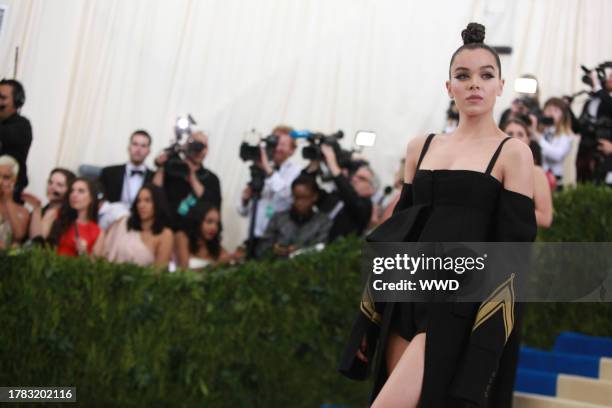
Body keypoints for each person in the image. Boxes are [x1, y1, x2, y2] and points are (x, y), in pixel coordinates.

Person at [339, 23, 536, 407]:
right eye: (463, 76)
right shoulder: (420, 147)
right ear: (449, 88)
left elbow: (513, 258)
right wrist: (369, 315)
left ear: (500, 86)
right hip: (405, 300)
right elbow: (397, 237)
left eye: (486, 75)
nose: (474, 84)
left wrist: (487, 342)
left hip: (458, 306)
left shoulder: (513, 153)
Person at [237, 125, 301, 257]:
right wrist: (244, 200)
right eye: (274, 142)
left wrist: (269, 171)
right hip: (254, 236)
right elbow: (242, 212)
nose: (277, 148)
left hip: (278, 239)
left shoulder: (296, 171)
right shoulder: (259, 168)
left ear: (292, 150)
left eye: (283, 144)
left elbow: (288, 196)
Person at [303, 145, 377, 241]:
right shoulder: (336, 197)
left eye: (361, 178)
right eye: (354, 175)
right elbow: (306, 188)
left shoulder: (365, 205)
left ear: (372, 188)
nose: (354, 179)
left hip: (338, 252)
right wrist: (315, 164)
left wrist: (332, 162)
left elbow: (350, 195)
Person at [153, 131, 221, 229]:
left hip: (194, 232)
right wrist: (163, 165)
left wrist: (192, 176)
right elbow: (154, 192)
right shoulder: (172, 169)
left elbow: (213, 206)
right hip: (166, 228)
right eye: (196, 144)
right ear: (186, 145)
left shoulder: (211, 178)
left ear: (207, 150)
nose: (199, 149)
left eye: (203, 146)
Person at [256, 174, 332, 258]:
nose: (300, 203)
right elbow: (261, 250)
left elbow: (321, 249)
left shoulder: (322, 222)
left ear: (314, 197)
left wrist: (299, 251)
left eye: (304, 198)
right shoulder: (278, 219)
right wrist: (275, 250)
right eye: (296, 198)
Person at [102, 184, 173, 268]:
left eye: (147, 201)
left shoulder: (165, 234)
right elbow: (104, 255)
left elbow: (159, 272)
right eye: (139, 201)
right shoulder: (123, 223)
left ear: (158, 203)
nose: (141, 205)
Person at [504, 118, 553, 228]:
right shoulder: (494, 169)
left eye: (520, 134)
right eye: (510, 133)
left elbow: (546, 218)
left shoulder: (536, 172)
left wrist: (505, 212)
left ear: (528, 140)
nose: (515, 138)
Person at [47, 177, 104, 257]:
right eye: (72, 191)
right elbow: (38, 242)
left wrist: (84, 253)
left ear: (91, 198)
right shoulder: (55, 215)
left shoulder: (98, 232)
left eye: (81, 191)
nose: (74, 195)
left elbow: (94, 266)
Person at [99, 130, 154, 206]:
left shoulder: (154, 178)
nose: (138, 149)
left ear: (149, 151)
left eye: (143, 146)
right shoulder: (108, 173)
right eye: (135, 144)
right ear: (129, 147)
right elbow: (99, 199)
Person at [533, 97, 579, 190]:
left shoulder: (566, 135)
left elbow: (557, 155)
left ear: (563, 116)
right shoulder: (539, 131)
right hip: (536, 177)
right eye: (548, 109)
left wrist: (539, 138)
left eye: (556, 110)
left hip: (554, 179)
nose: (551, 113)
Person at [0, 79, 32, 201]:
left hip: (7, 198)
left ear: (18, 102)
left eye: (2, 98)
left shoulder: (22, 125)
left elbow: (6, 135)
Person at [22, 167, 76, 240]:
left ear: (69, 190)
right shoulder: (44, 210)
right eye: (50, 182)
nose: (52, 187)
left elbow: (38, 241)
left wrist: (36, 208)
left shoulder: (67, 216)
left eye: (59, 185)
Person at [174, 201, 230, 270]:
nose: (214, 227)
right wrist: (217, 264)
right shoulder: (182, 236)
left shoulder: (213, 244)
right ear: (197, 220)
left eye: (217, 223)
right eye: (209, 221)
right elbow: (184, 271)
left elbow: (227, 258)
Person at [0, 155, 29, 248]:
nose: (0, 181)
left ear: (14, 180)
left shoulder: (23, 211)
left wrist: (8, 201)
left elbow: (18, 236)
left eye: (6, 177)